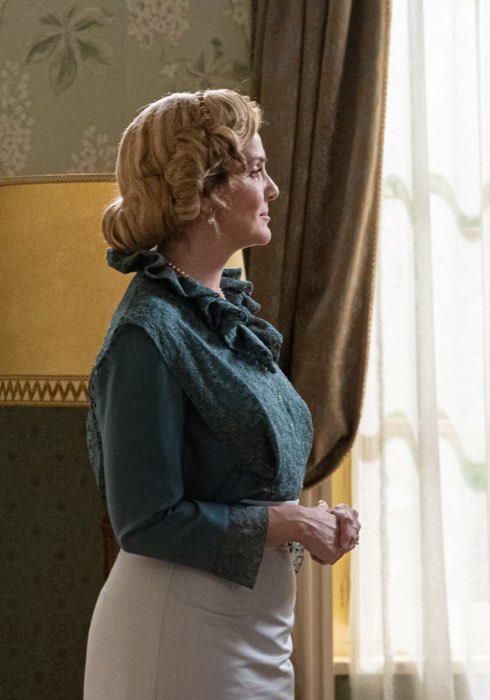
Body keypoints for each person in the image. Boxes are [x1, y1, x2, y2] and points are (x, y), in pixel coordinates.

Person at [83, 89, 361, 699]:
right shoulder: (146, 332)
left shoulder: (217, 316)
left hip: (252, 629)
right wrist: (288, 521)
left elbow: (246, 484)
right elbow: (145, 519)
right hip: (176, 630)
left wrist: (309, 520)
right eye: (256, 170)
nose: (274, 189)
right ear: (205, 192)